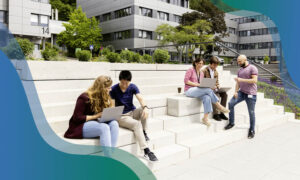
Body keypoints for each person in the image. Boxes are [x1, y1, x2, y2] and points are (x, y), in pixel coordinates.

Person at [110, 70, 158, 161]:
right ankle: (146, 151)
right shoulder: (114, 89)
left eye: (126, 83)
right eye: (122, 83)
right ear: (119, 80)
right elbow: (112, 106)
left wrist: (145, 107)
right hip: (122, 116)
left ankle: (144, 132)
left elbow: (140, 98)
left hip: (132, 112)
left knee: (143, 110)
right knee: (137, 124)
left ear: (130, 81)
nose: (124, 85)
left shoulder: (133, 87)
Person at [64, 76, 119, 154]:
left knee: (114, 123)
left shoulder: (103, 96)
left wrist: (110, 110)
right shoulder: (84, 97)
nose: (110, 89)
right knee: (104, 127)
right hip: (79, 126)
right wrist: (96, 116)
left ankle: (111, 155)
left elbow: (103, 113)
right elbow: (77, 118)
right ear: (101, 88)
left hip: (94, 123)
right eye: (108, 88)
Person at [184, 58, 230, 127]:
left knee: (207, 97)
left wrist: (211, 86)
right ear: (195, 63)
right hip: (189, 90)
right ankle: (219, 106)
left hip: (198, 90)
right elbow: (186, 81)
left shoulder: (201, 73)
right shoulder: (190, 70)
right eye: (199, 63)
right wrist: (198, 85)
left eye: (202, 64)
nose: (201, 65)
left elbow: (202, 84)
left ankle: (205, 118)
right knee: (208, 89)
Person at [224, 54, 258, 139]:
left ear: (245, 60)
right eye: (238, 61)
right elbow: (238, 83)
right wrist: (235, 91)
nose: (238, 63)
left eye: (240, 61)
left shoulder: (252, 68)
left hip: (251, 94)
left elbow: (254, 80)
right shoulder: (239, 70)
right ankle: (231, 123)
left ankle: (252, 130)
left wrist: (241, 79)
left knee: (251, 112)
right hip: (241, 92)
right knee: (230, 103)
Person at [202, 56, 228, 121]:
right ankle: (215, 114)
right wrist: (210, 86)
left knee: (225, 94)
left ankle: (222, 113)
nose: (215, 67)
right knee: (216, 95)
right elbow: (201, 82)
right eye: (214, 65)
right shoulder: (204, 71)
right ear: (210, 63)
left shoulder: (216, 71)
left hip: (215, 88)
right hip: (207, 89)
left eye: (216, 65)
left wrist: (218, 85)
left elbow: (216, 81)